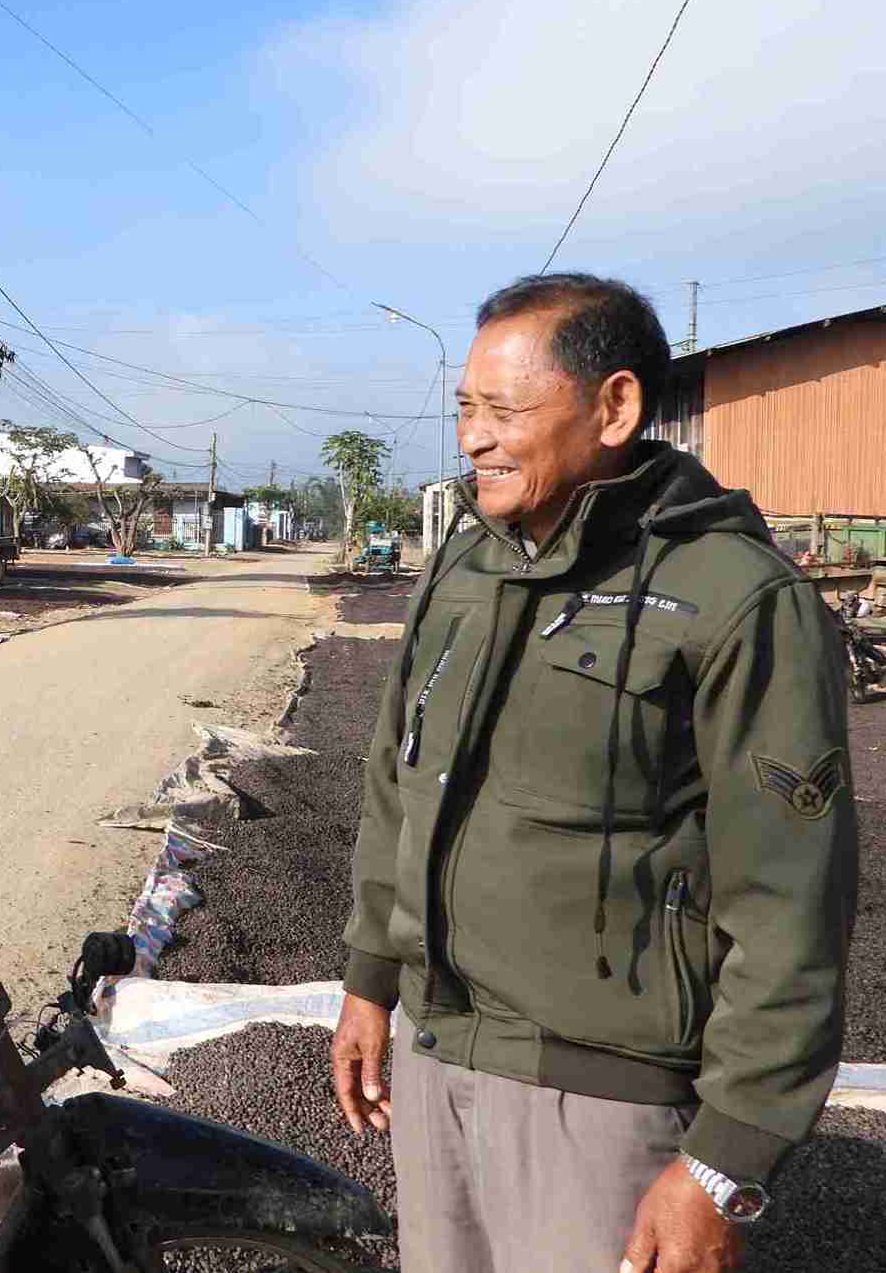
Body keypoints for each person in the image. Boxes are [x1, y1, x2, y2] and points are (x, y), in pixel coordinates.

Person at [331, 273, 857, 1273]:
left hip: (608, 1106)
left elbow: (790, 905)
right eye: (464, 411)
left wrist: (721, 1163)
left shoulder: (735, 598)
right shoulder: (463, 567)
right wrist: (368, 981)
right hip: (435, 1062)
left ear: (613, 406)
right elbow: (395, 784)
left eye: (502, 410)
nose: (474, 438)